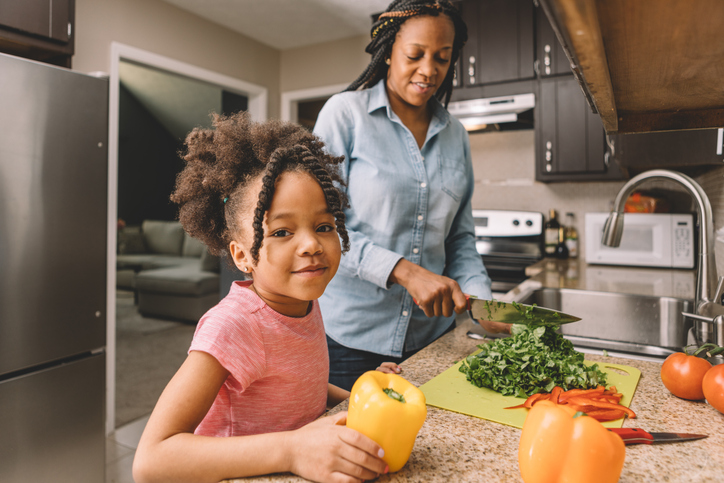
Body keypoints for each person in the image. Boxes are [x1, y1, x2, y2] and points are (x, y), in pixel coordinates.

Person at [133, 112, 389, 483]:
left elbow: (301, 387)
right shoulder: (234, 326)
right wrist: (292, 449)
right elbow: (152, 460)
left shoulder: (302, 302)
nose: (311, 245)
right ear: (243, 256)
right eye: (282, 232)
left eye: (323, 226)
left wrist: (361, 397)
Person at [314, 0, 510, 391]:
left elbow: (459, 239)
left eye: (442, 57)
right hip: (351, 340)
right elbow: (323, 228)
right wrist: (404, 271)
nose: (429, 70)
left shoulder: (455, 135)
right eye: (414, 55)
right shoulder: (344, 115)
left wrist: (484, 303)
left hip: (430, 339)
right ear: (388, 52)